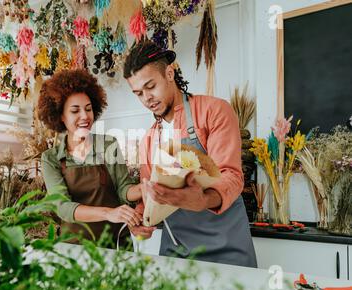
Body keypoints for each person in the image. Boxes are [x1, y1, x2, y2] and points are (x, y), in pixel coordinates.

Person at [123, 40, 257, 268]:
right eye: (138, 93)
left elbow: (231, 177)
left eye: (150, 86)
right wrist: (141, 220)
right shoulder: (149, 139)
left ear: (169, 73)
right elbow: (151, 195)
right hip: (176, 254)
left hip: (226, 250)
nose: (147, 98)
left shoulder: (214, 111)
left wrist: (203, 199)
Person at [38, 69, 143, 247]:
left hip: (115, 243)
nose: (85, 116)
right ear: (60, 116)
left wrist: (144, 189)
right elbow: (62, 207)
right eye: (75, 111)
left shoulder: (109, 145)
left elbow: (124, 188)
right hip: (75, 247)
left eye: (88, 109)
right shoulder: (51, 159)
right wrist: (108, 213)